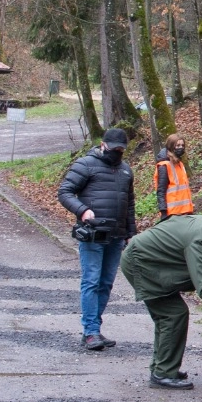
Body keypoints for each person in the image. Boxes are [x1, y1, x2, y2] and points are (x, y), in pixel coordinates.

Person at [120, 213, 202, 388]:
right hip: (141, 262)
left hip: (150, 260)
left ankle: (161, 368)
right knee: (172, 314)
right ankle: (163, 373)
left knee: (168, 316)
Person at [57, 128, 135, 352]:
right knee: (91, 281)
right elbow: (65, 192)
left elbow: (129, 204)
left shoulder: (126, 171)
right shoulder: (85, 165)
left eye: (121, 150)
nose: (117, 153)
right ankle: (91, 331)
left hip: (116, 236)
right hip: (93, 234)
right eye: (114, 148)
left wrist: (130, 233)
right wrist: (82, 211)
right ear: (103, 145)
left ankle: (93, 329)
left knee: (106, 283)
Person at [155, 133, 194, 221]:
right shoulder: (164, 165)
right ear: (171, 146)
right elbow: (161, 190)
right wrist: (163, 212)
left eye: (182, 145)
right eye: (178, 145)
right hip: (172, 214)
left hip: (185, 211)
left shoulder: (179, 164)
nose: (181, 148)